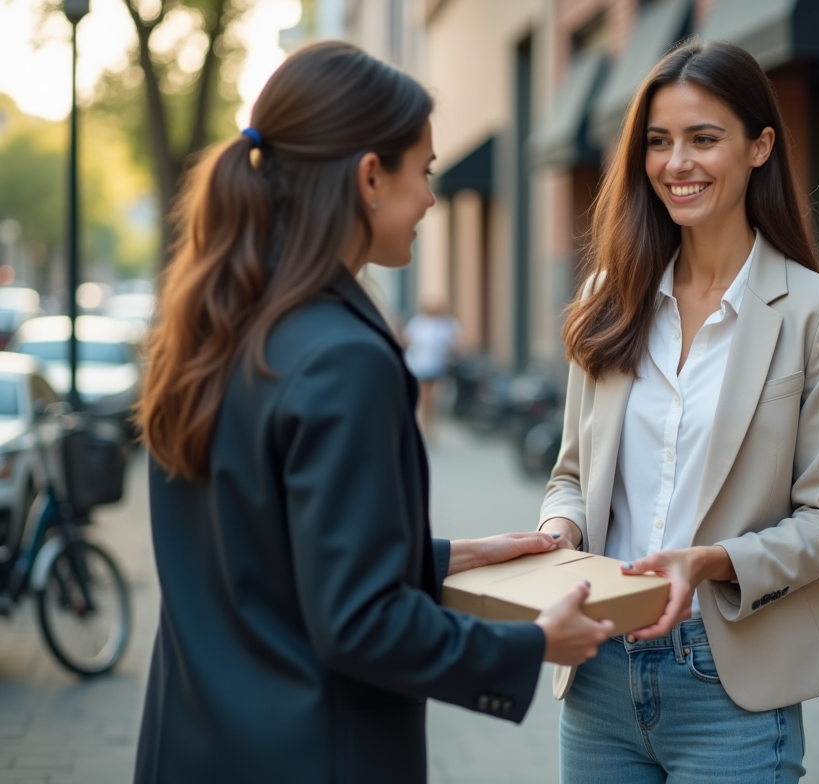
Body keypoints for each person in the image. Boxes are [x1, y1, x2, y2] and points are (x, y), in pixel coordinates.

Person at [134, 41, 612, 784]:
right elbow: (359, 624)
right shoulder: (344, 358)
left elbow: (259, 557)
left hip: (193, 751)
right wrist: (533, 644)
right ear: (368, 177)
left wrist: (443, 557)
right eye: (422, 171)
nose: (429, 196)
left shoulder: (216, 328)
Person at [539, 40, 819, 783]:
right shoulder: (608, 298)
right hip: (596, 676)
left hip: (730, 687)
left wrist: (711, 562)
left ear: (760, 146)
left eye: (703, 138)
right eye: (658, 142)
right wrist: (555, 534)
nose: (676, 163)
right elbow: (570, 474)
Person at [402, 300, 459, 437]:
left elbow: (454, 343)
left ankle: (430, 427)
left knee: (433, 398)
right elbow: (407, 340)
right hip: (420, 365)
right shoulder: (418, 323)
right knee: (424, 397)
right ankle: (423, 425)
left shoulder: (445, 324)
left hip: (437, 366)